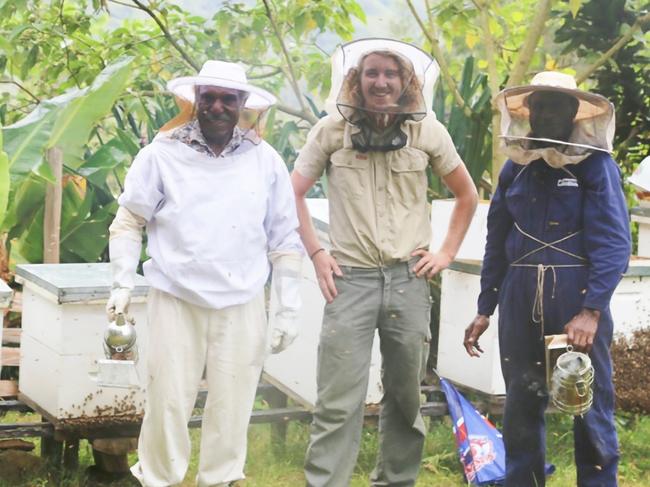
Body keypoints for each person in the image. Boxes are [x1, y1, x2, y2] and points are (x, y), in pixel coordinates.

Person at [105, 60, 303, 487]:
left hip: (243, 299)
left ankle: (221, 479)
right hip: (175, 295)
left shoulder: (265, 160)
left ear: (243, 104)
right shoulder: (160, 153)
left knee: (233, 404)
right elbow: (128, 221)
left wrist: (288, 308)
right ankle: (158, 478)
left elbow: (285, 240)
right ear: (194, 100)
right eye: (208, 97)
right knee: (168, 401)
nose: (216, 107)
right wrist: (122, 281)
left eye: (227, 99)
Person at [292, 39, 478, 487]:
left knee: (405, 397)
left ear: (406, 82)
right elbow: (290, 192)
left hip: (408, 279)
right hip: (349, 280)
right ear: (355, 80)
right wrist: (317, 253)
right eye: (371, 73)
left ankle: (396, 481)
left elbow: (466, 195)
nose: (380, 81)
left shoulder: (427, 131)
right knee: (338, 400)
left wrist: (446, 253)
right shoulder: (331, 130)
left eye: (390, 74)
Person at [463, 71, 631, 487]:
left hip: (575, 296)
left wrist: (591, 311)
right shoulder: (515, 169)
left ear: (574, 113)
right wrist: (486, 307)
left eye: (559, 106)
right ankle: (524, 481)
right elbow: (496, 240)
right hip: (520, 296)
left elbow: (613, 241)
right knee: (521, 400)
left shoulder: (596, 165)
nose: (549, 114)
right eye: (542, 105)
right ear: (530, 112)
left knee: (587, 400)